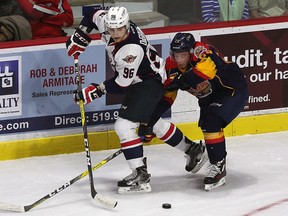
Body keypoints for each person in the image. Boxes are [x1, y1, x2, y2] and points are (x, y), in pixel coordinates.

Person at [66, 6, 206, 194]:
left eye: (119, 29)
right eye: (112, 29)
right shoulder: (109, 23)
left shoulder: (130, 51)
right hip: (145, 77)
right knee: (153, 122)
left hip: (149, 82)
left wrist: (94, 91)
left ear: (126, 25)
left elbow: (121, 84)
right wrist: (81, 34)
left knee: (124, 126)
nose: (115, 33)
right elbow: (90, 11)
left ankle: (140, 176)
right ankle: (192, 149)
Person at [141, 32, 249, 191]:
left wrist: (179, 81)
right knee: (206, 125)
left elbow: (207, 71)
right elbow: (168, 99)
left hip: (232, 91)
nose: (179, 60)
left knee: (212, 122)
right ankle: (211, 156)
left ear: (190, 52)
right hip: (208, 98)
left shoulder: (201, 51)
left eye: (183, 55)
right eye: (176, 55)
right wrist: (149, 122)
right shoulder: (171, 66)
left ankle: (218, 166)